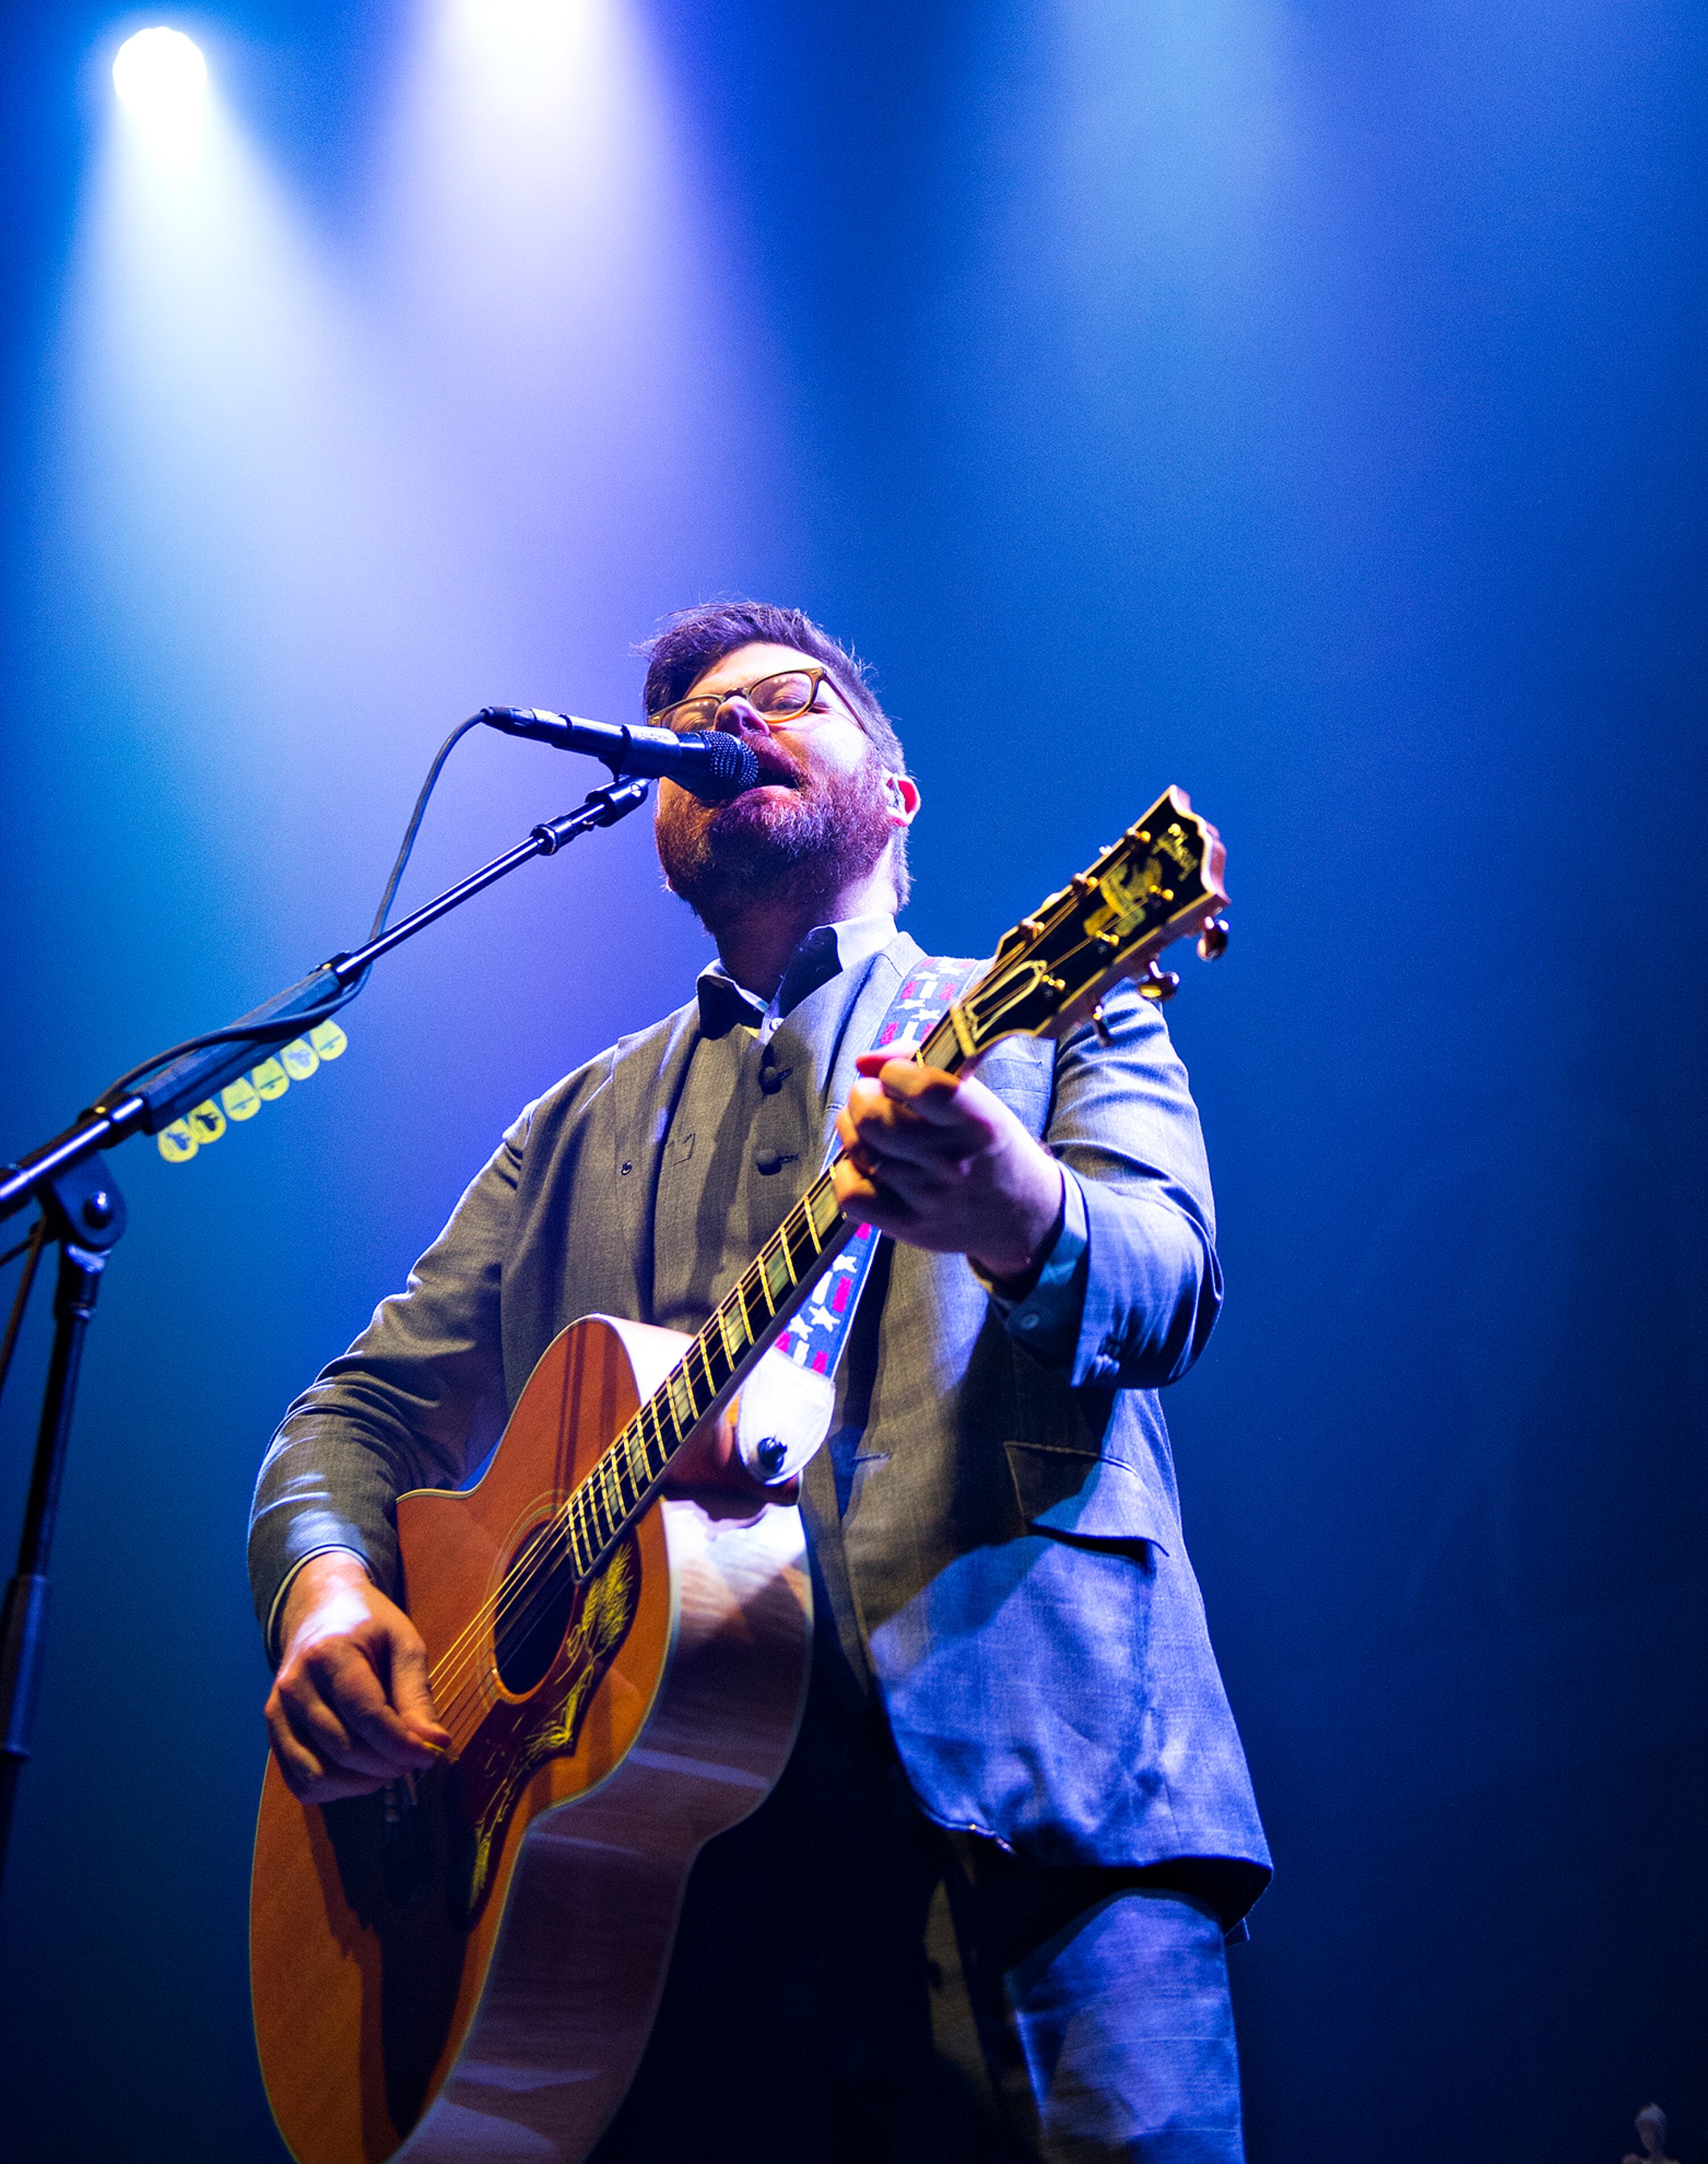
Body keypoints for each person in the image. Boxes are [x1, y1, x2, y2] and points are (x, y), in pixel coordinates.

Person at [251, 599, 1268, 2162]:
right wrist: (326, 1589)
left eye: (788, 696)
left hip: (1036, 1834)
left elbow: (1170, 1280)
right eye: (695, 728)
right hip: (663, 1921)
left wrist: (1015, 1208)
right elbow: (353, 1417)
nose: (735, 725)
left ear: (897, 793)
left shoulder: (1056, 1005)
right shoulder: (569, 1133)